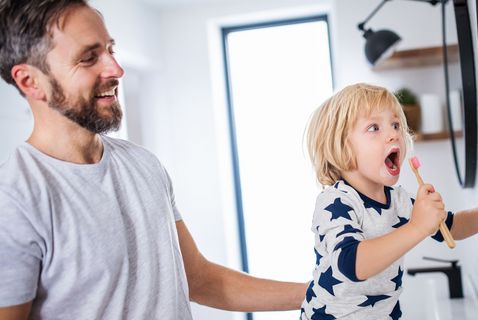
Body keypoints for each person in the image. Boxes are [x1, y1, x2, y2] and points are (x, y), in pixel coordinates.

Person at [0, 1, 306, 319]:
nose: (116, 69)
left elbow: (198, 279)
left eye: (110, 50)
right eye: (89, 58)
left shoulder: (142, 164)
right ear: (30, 81)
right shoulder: (14, 201)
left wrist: (318, 294)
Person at [300, 83, 478, 319]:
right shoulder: (336, 202)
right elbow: (351, 263)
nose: (393, 134)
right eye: (374, 127)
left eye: (396, 125)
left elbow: (452, 226)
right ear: (344, 148)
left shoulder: (399, 200)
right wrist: (417, 226)